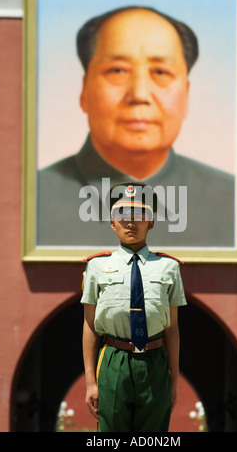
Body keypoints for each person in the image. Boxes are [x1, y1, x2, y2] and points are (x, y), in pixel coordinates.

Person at [37, 5, 234, 248]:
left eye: (161, 72)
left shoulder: (233, 201)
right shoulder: (32, 200)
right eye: (117, 70)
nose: (139, 94)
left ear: (186, 95)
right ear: (84, 91)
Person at [80, 182, 187, 432]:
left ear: (150, 222)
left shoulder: (168, 267)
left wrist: (173, 379)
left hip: (155, 360)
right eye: (122, 216)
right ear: (112, 222)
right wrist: (90, 381)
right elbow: (89, 326)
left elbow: (172, 329)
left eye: (139, 216)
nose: (130, 223)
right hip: (113, 360)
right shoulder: (96, 267)